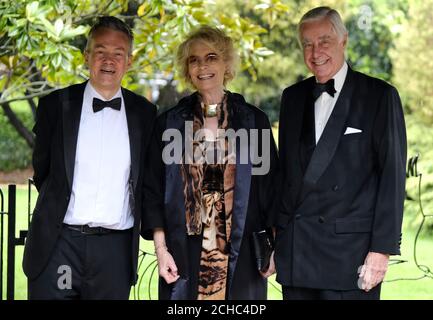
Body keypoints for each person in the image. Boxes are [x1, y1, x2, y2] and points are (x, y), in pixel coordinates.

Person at [274, 6, 406, 300]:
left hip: (350, 259)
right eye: (307, 44)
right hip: (297, 254)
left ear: (343, 40)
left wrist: (381, 251)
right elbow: (286, 177)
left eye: (324, 41)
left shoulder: (379, 96)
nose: (315, 52)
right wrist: (276, 240)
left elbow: (392, 179)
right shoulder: (292, 98)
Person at [23, 16, 157, 299]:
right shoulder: (55, 106)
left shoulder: (145, 114)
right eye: (101, 52)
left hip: (115, 251)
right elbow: (43, 170)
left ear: (128, 61)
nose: (109, 61)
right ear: (87, 56)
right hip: (60, 245)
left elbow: (146, 180)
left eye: (118, 54)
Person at [142, 26, 278, 300]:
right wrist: (161, 250)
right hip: (184, 253)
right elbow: (152, 191)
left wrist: (273, 248)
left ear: (226, 63)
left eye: (212, 56)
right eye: (194, 59)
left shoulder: (253, 122)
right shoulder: (169, 124)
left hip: (242, 254)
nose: (203, 66)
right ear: (187, 69)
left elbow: (272, 191)